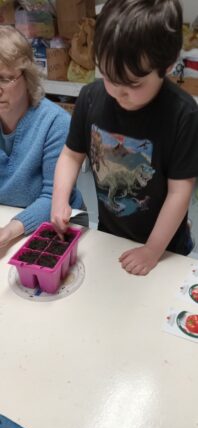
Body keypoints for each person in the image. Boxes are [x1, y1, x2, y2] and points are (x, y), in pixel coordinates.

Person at [51, 0, 198, 276]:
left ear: (167, 64)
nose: (118, 91)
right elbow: (71, 155)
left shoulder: (183, 114)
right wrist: (60, 200)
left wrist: (153, 250)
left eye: (132, 84)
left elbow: (180, 191)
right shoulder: (91, 97)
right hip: (111, 236)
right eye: (108, 76)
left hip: (165, 248)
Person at [0, 25, 88, 249]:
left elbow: (52, 197)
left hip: (55, 223)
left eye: (4, 78)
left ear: (27, 76)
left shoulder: (54, 123)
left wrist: (9, 231)